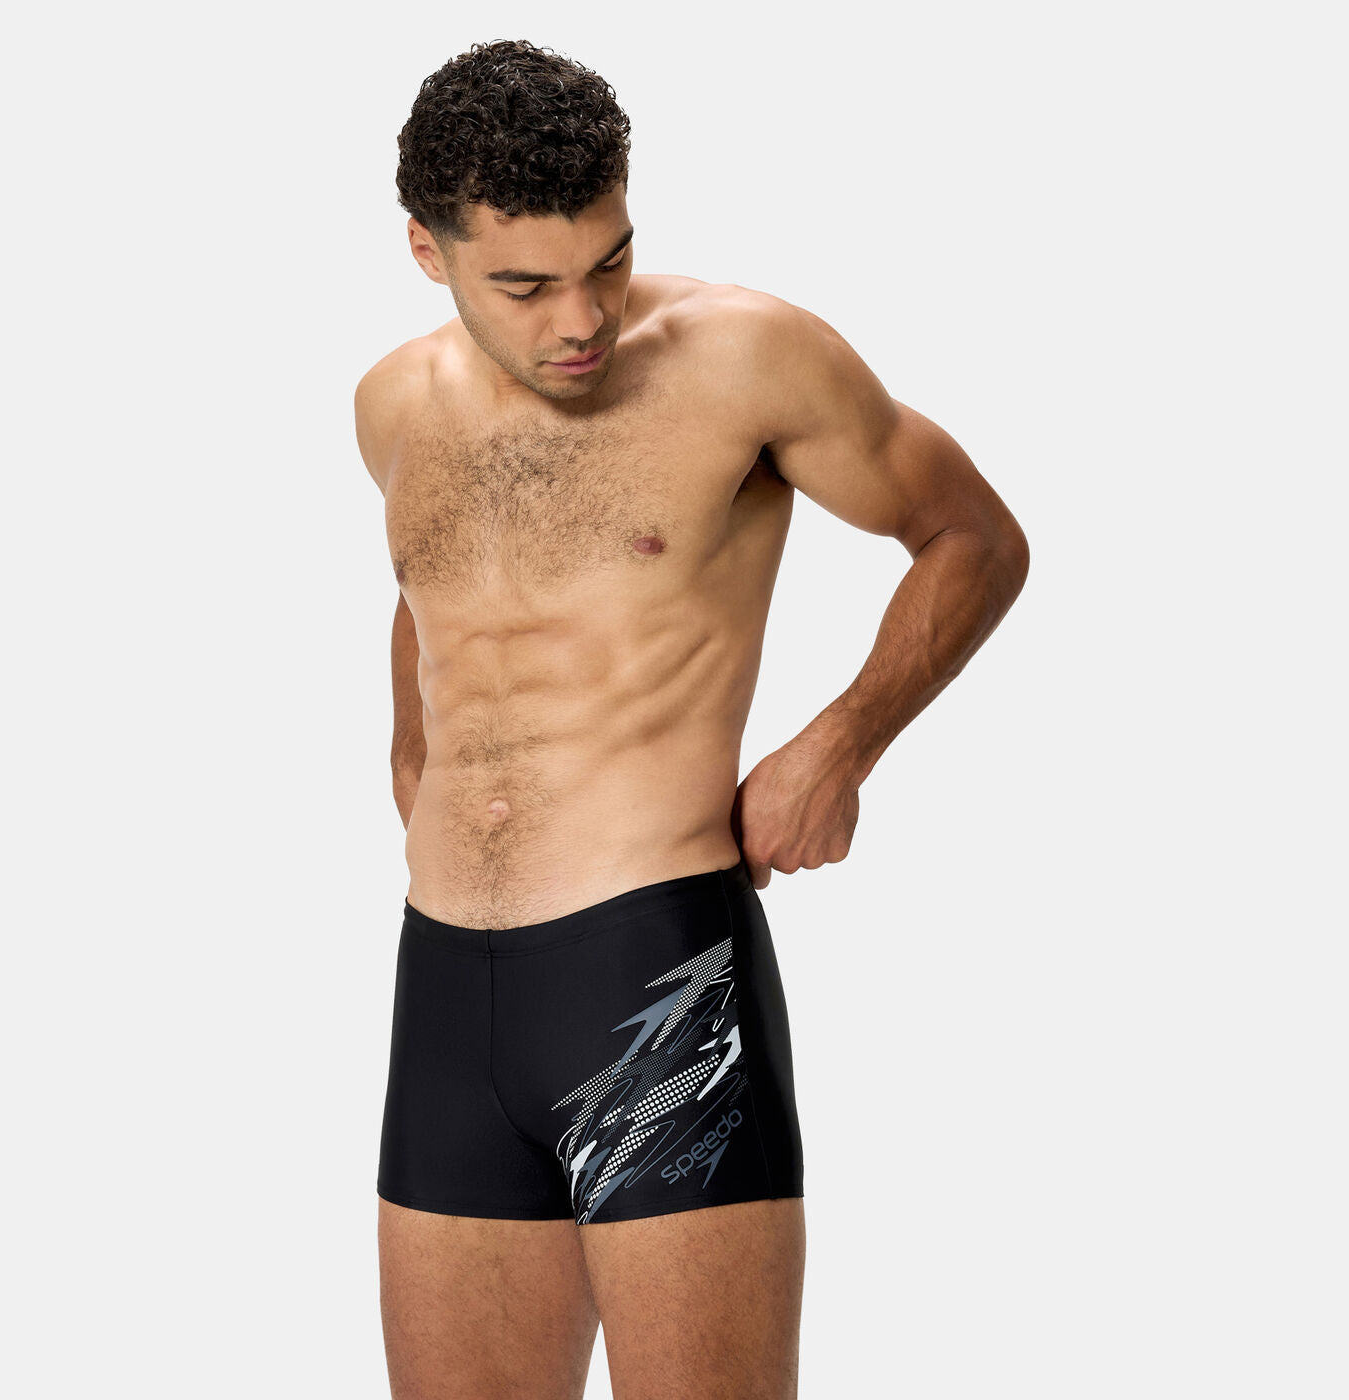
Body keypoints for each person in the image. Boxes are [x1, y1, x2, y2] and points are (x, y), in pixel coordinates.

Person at [355, 37, 1028, 1400]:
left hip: (652, 981)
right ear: (429, 252)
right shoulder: (390, 406)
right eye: (525, 286)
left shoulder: (747, 357)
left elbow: (973, 536)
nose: (581, 319)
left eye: (608, 261)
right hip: (446, 993)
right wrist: (414, 756)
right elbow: (432, 593)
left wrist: (839, 744)